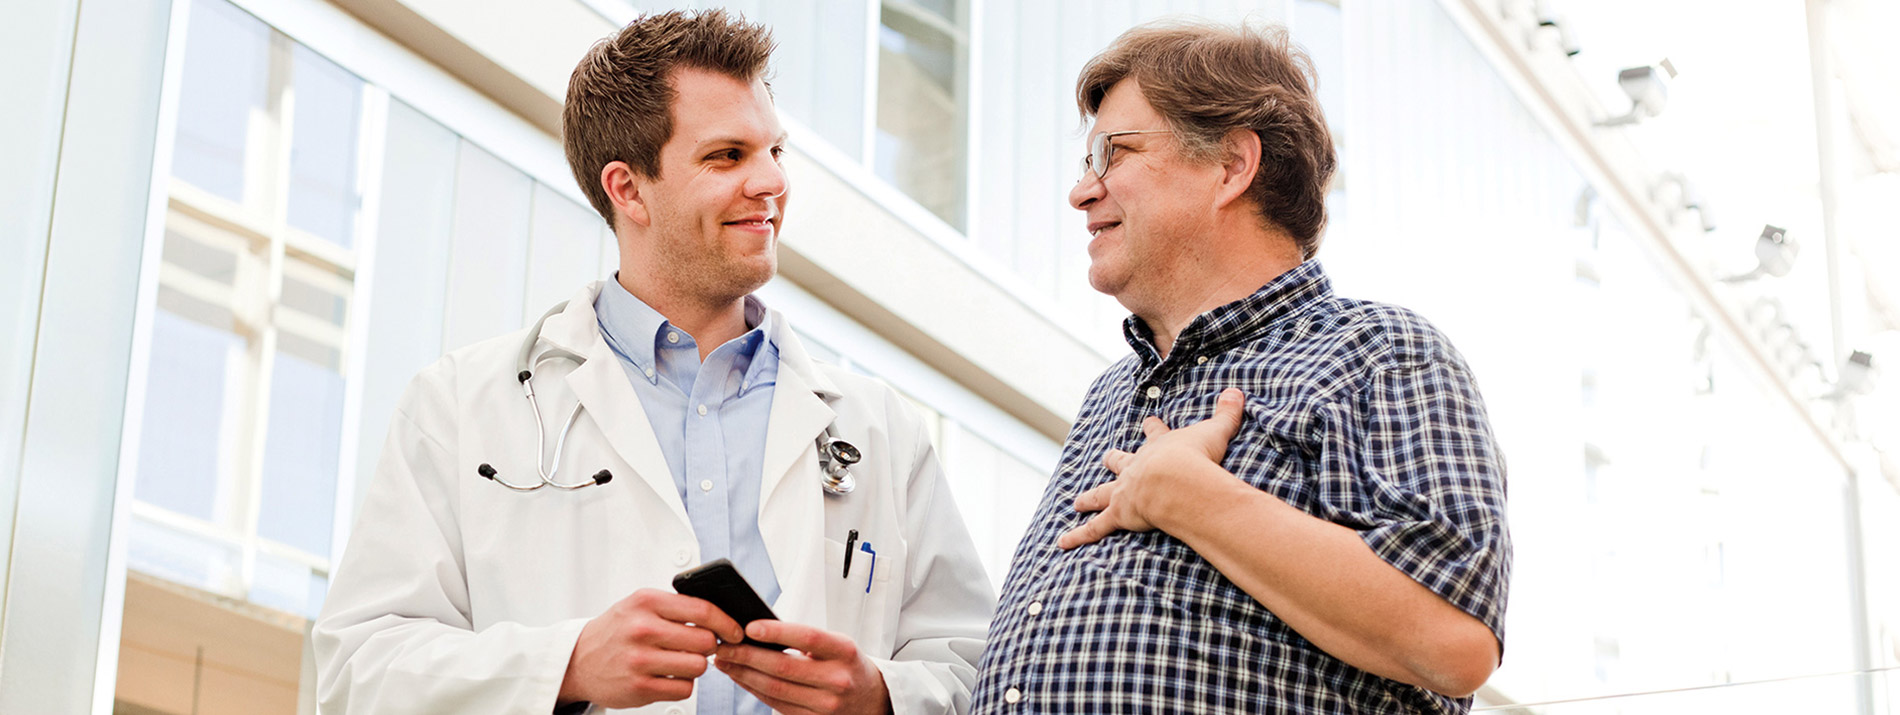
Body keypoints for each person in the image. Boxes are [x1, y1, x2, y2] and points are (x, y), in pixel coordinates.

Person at [314, 10, 994, 715]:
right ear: (627, 188)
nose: (770, 182)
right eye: (727, 156)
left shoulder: (878, 429)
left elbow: (980, 668)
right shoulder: (460, 406)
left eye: (775, 152)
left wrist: (882, 695)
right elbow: (357, 672)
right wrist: (566, 664)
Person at [972, 19, 1512, 714]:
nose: (1083, 191)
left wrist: (1194, 499)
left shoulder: (1378, 353)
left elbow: (1454, 641)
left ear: (1232, 166)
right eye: (1086, 164)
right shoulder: (1110, 395)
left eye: (1116, 153)